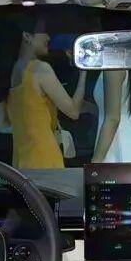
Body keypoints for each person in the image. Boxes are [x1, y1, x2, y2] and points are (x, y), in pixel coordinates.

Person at [7, 16, 87, 169]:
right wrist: (83, 71)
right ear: (27, 36)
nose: (48, 37)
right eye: (43, 31)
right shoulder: (40, 69)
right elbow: (73, 111)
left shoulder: (13, 72)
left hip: (21, 162)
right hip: (45, 159)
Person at [91, 69, 131, 163]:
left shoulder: (114, 69)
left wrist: (95, 163)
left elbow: (113, 118)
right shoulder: (123, 66)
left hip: (116, 142)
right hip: (127, 139)